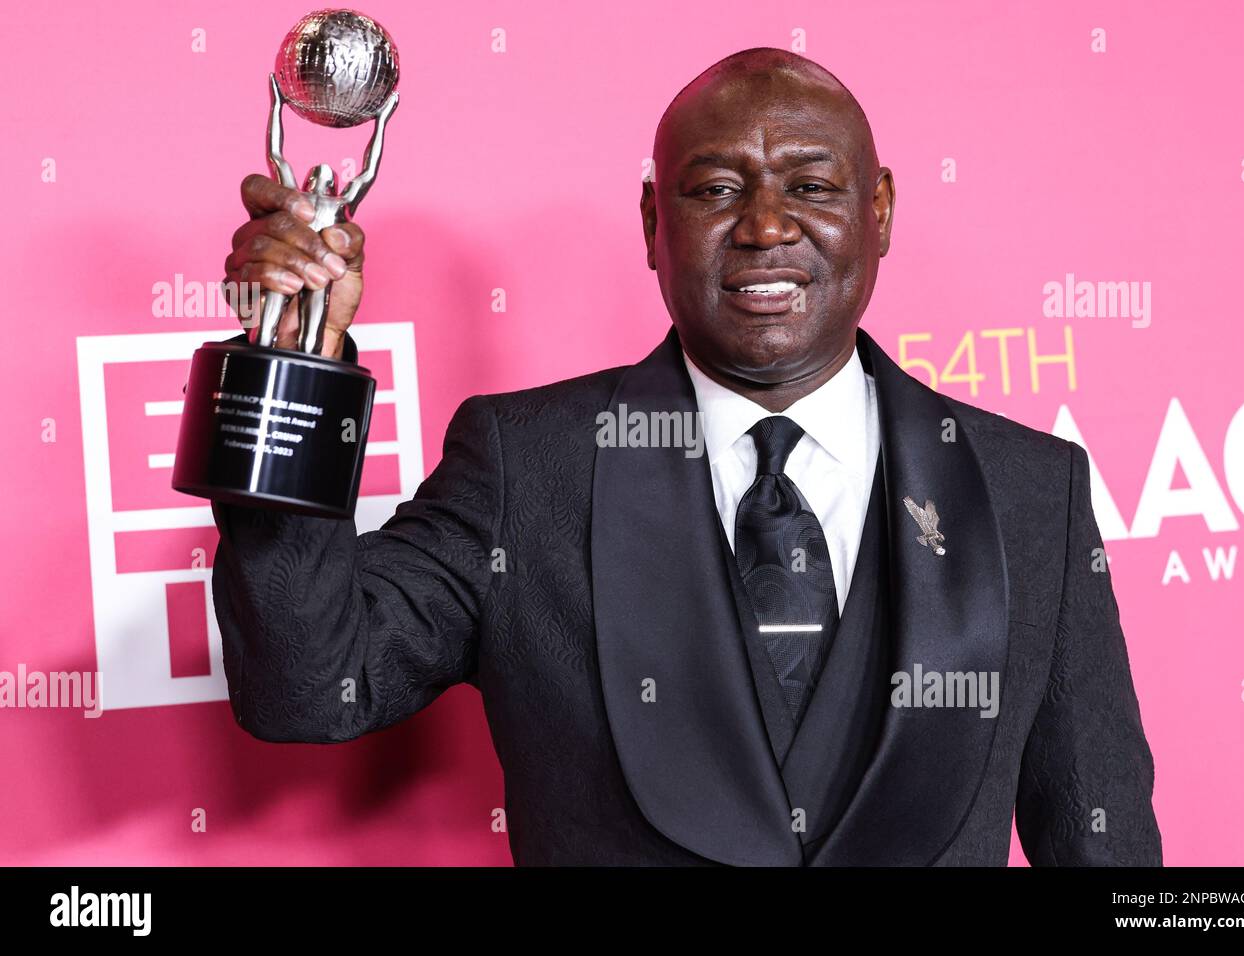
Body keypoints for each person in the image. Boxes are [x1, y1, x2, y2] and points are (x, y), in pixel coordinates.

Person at [213, 47, 1162, 866]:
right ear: (650, 223)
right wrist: (288, 370)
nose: (764, 226)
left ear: (878, 211)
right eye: (715, 190)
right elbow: (305, 687)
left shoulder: (1030, 490)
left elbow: (1104, 842)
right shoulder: (525, 469)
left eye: (812, 186)